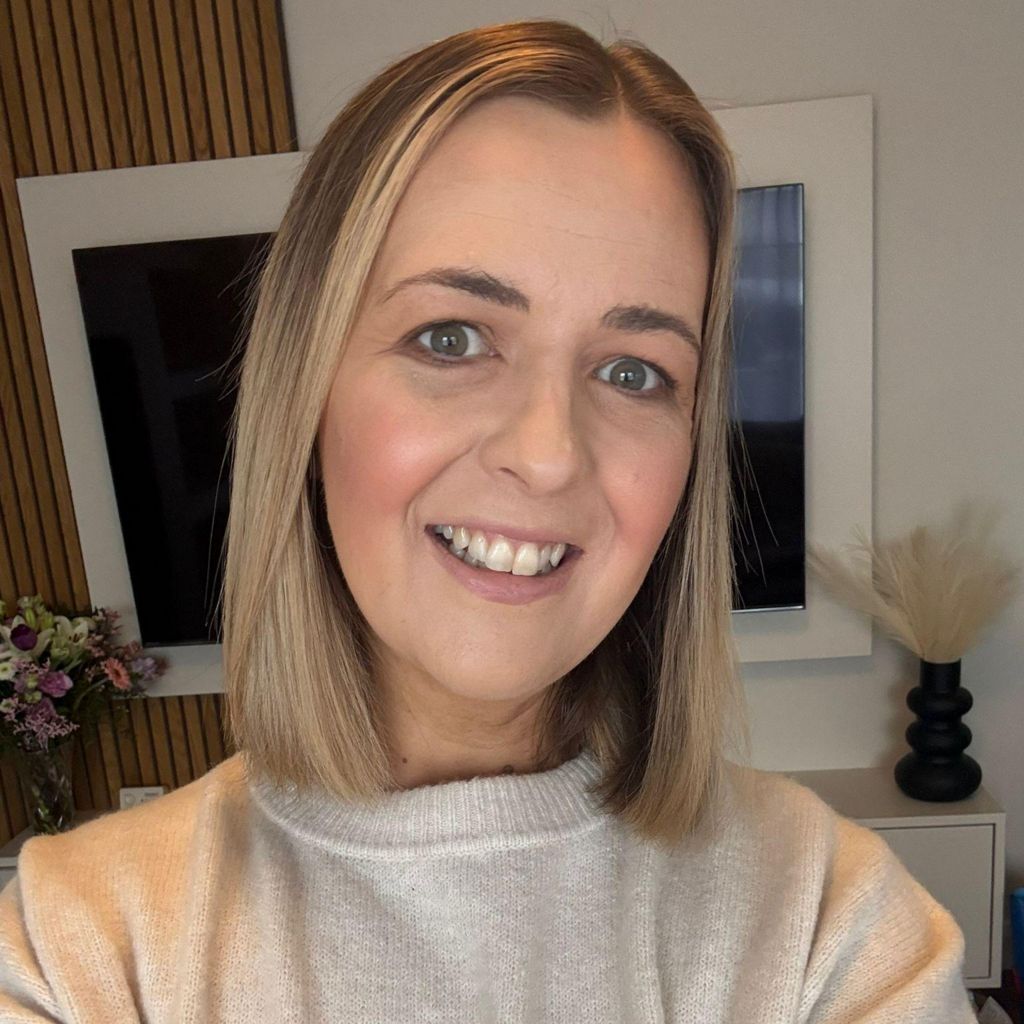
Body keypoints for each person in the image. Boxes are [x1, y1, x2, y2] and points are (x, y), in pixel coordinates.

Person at [0, 18, 976, 1023]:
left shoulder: (830, 923)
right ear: (307, 387)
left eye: (634, 370)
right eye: (451, 336)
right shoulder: (79, 950)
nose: (548, 452)